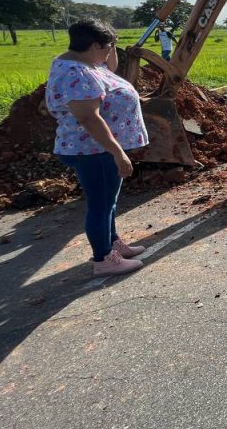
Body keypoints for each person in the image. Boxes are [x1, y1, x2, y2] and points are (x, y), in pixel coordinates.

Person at [46, 20, 150, 275]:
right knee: (101, 204)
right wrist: (119, 152)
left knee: (109, 201)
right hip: (92, 149)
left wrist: (112, 43)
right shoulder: (76, 73)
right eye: (106, 47)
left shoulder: (85, 63)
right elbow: (89, 119)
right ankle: (103, 259)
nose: (108, 54)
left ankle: (112, 244)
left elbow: (109, 67)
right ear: (93, 46)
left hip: (96, 148)